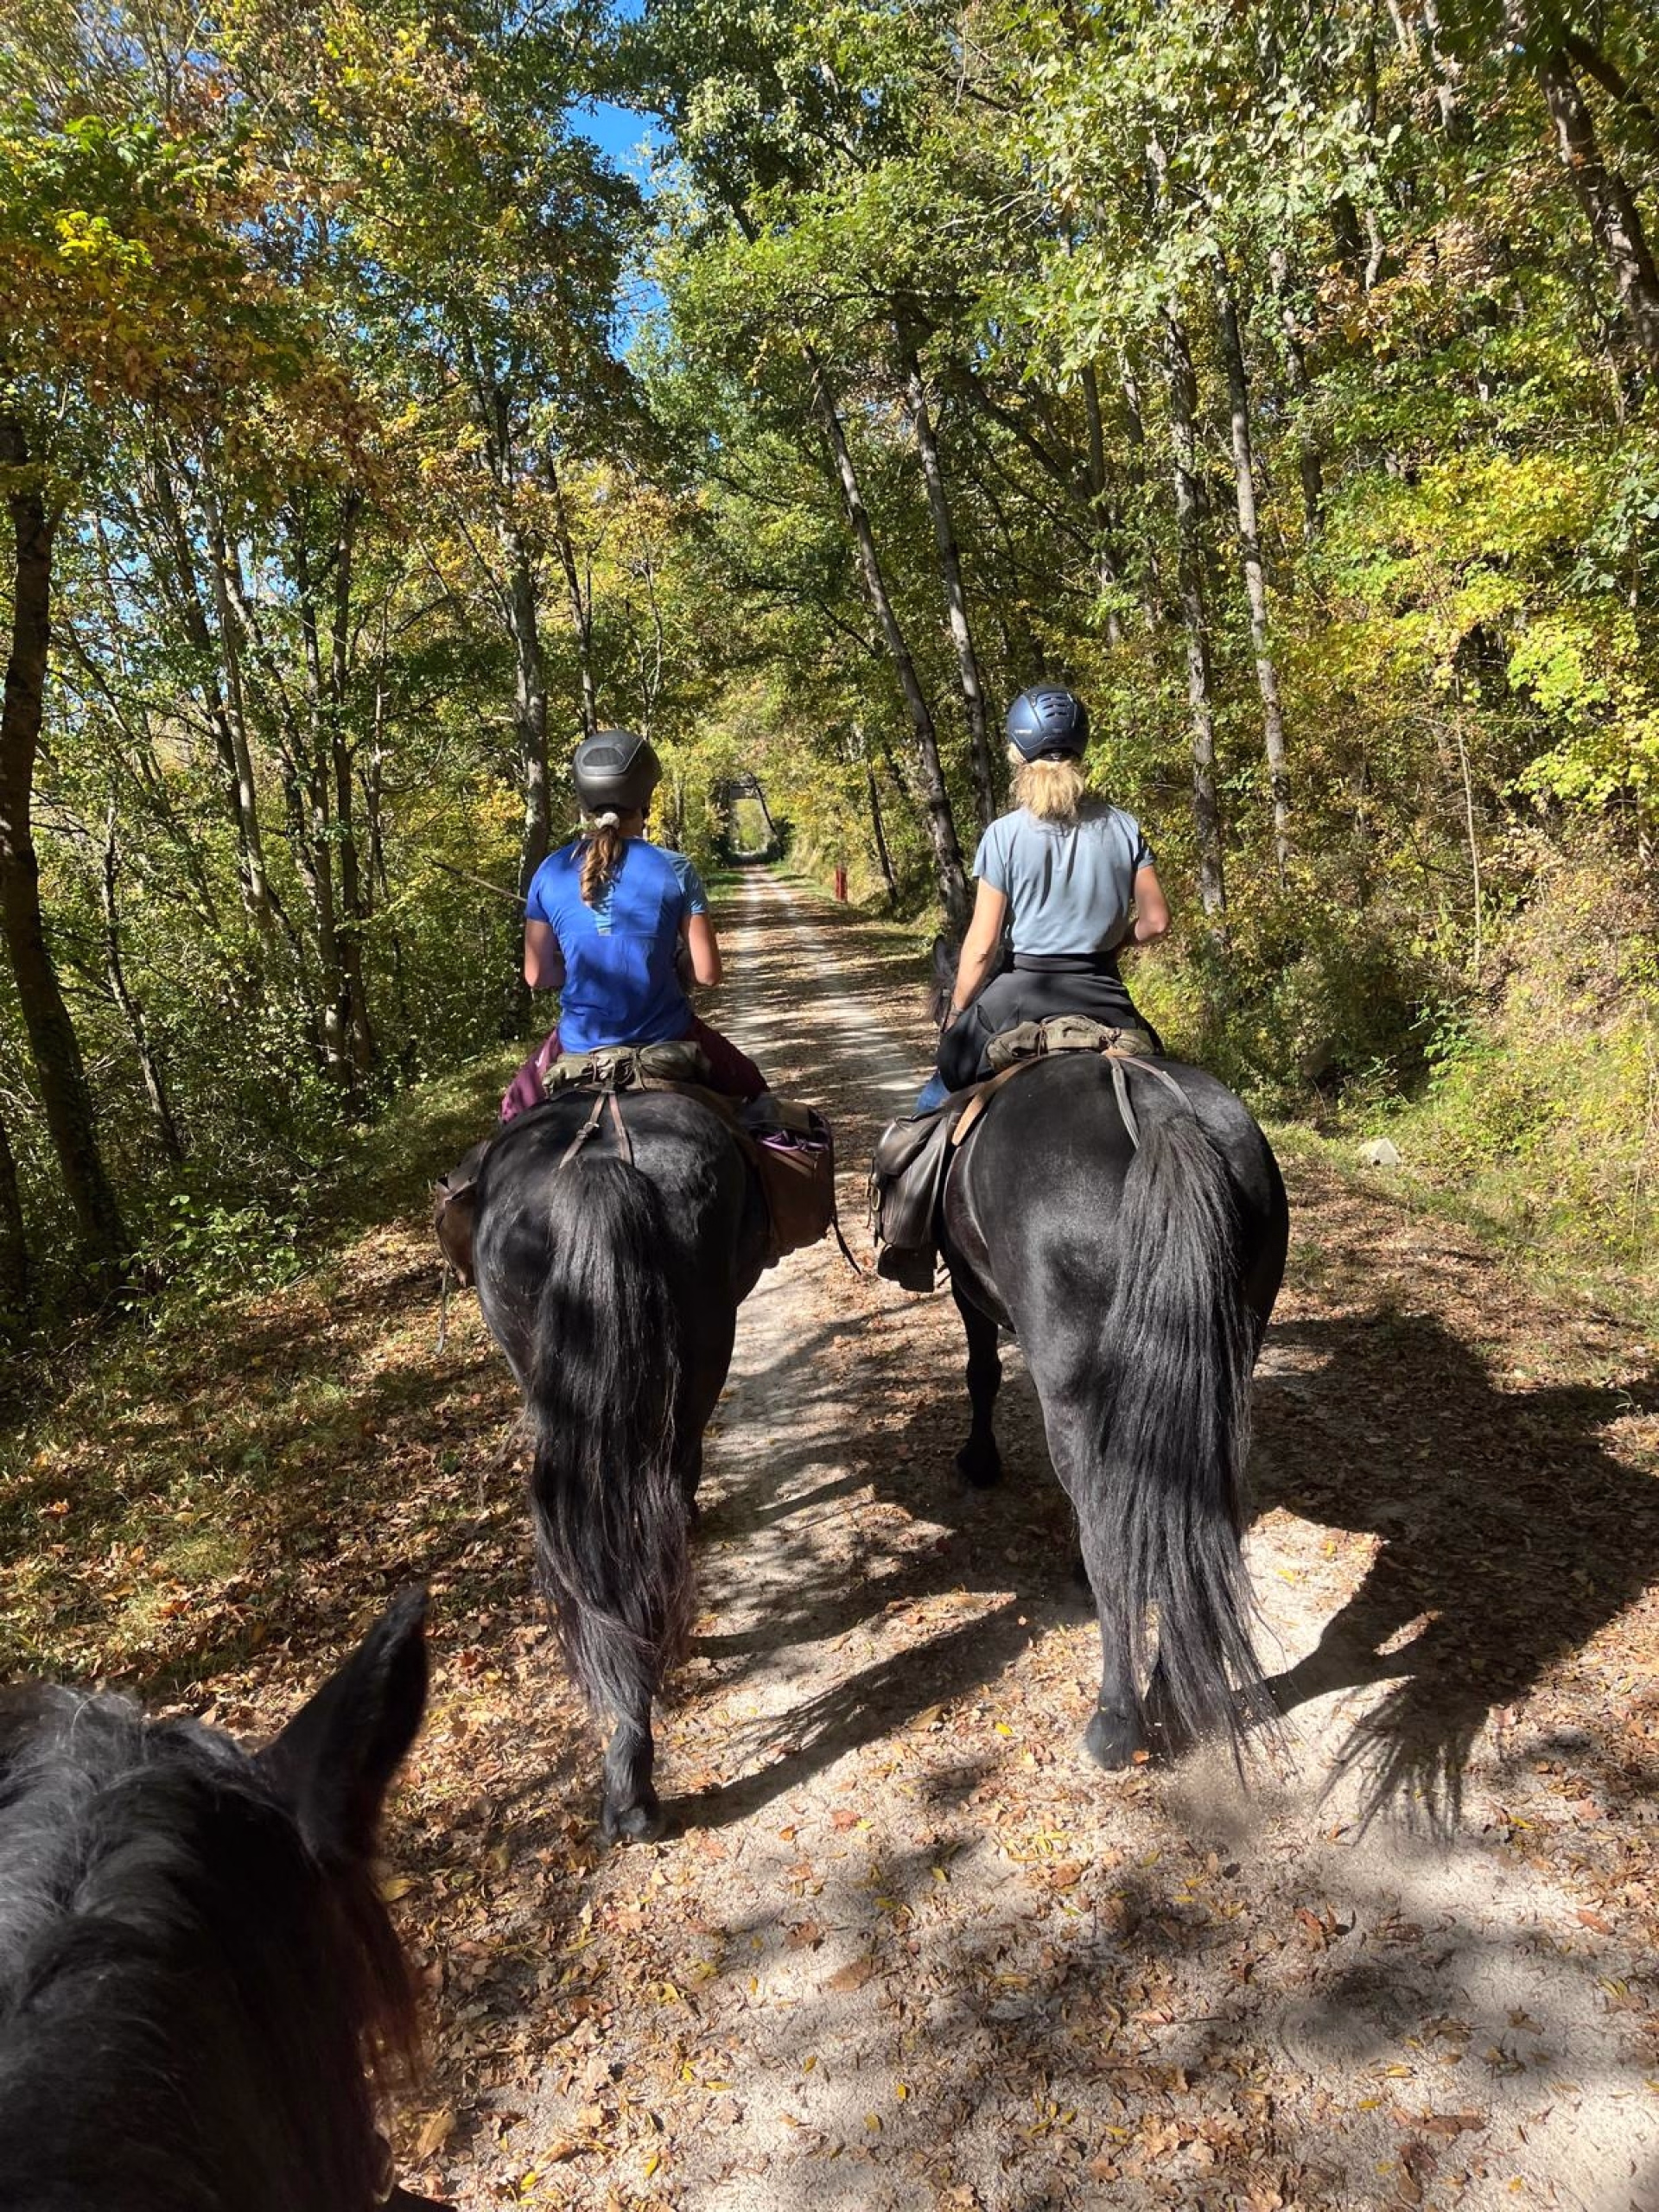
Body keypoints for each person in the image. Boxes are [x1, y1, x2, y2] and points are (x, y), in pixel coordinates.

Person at [913, 683, 1169, 1116]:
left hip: (1020, 992)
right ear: (1081, 750)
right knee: (1161, 1078)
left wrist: (956, 1014)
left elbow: (982, 948)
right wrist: (1121, 941)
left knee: (940, 1088)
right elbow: (1157, 920)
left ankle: (912, 1152)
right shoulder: (1124, 827)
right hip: (1105, 993)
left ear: (1018, 756)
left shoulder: (1003, 835)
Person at [503, 728, 768, 1121]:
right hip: (667, 1035)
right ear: (645, 800)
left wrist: (581, 962)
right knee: (757, 1099)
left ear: (585, 800)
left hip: (578, 1042)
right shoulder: (677, 868)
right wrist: (673, 962)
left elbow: (537, 975)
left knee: (511, 1114)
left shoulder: (551, 870)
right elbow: (708, 974)